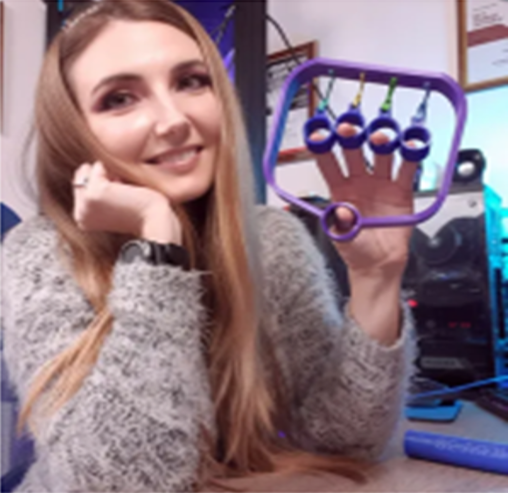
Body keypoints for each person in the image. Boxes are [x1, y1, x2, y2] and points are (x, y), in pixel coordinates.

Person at [1, 0, 418, 491]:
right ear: (74, 132)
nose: (173, 120)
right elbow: (122, 483)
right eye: (119, 98)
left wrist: (376, 280)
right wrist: (157, 243)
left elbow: (343, 444)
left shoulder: (272, 239)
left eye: (190, 81)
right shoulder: (38, 254)